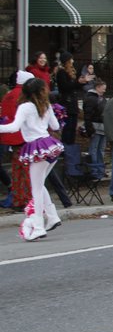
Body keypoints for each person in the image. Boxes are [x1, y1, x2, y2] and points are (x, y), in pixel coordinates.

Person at [0, 78, 64, 240]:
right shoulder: (46, 105)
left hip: (36, 148)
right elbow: (55, 126)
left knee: (36, 188)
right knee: (40, 184)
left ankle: (38, 227)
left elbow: (14, 127)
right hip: (51, 147)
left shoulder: (25, 107)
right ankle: (52, 216)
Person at [1, 71, 35, 211]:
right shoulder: (26, 97)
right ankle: (28, 200)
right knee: (28, 171)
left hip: (10, 137)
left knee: (16, 170)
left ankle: (17, 199)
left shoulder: (8, 95)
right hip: (25, 137)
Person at [52, 52, 88, 144]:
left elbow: (74, 86)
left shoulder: (71, 72)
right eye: (71, 59)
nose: (73, 61)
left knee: (73, 127)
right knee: (67, 128)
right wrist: (77, 82)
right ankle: (66, 148)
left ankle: (70, 148)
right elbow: (65, 87)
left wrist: (82, 82)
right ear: (67, 61)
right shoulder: (61, 72)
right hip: (67, 103)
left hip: (72, 103)